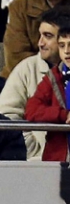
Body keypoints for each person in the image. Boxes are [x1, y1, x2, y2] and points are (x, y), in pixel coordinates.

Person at [0, 7, 70, 159]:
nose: (40, 43)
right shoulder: (27, 69)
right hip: (44, 162)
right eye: (40, 35)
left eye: (48, 36)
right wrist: (34, 150)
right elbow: (5, 116)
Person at [25, 22, 70, 162]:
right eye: (62, 45)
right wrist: (63, 115)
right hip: (58, 158)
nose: (67, 51)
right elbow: (31, 111)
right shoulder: (53, 77)